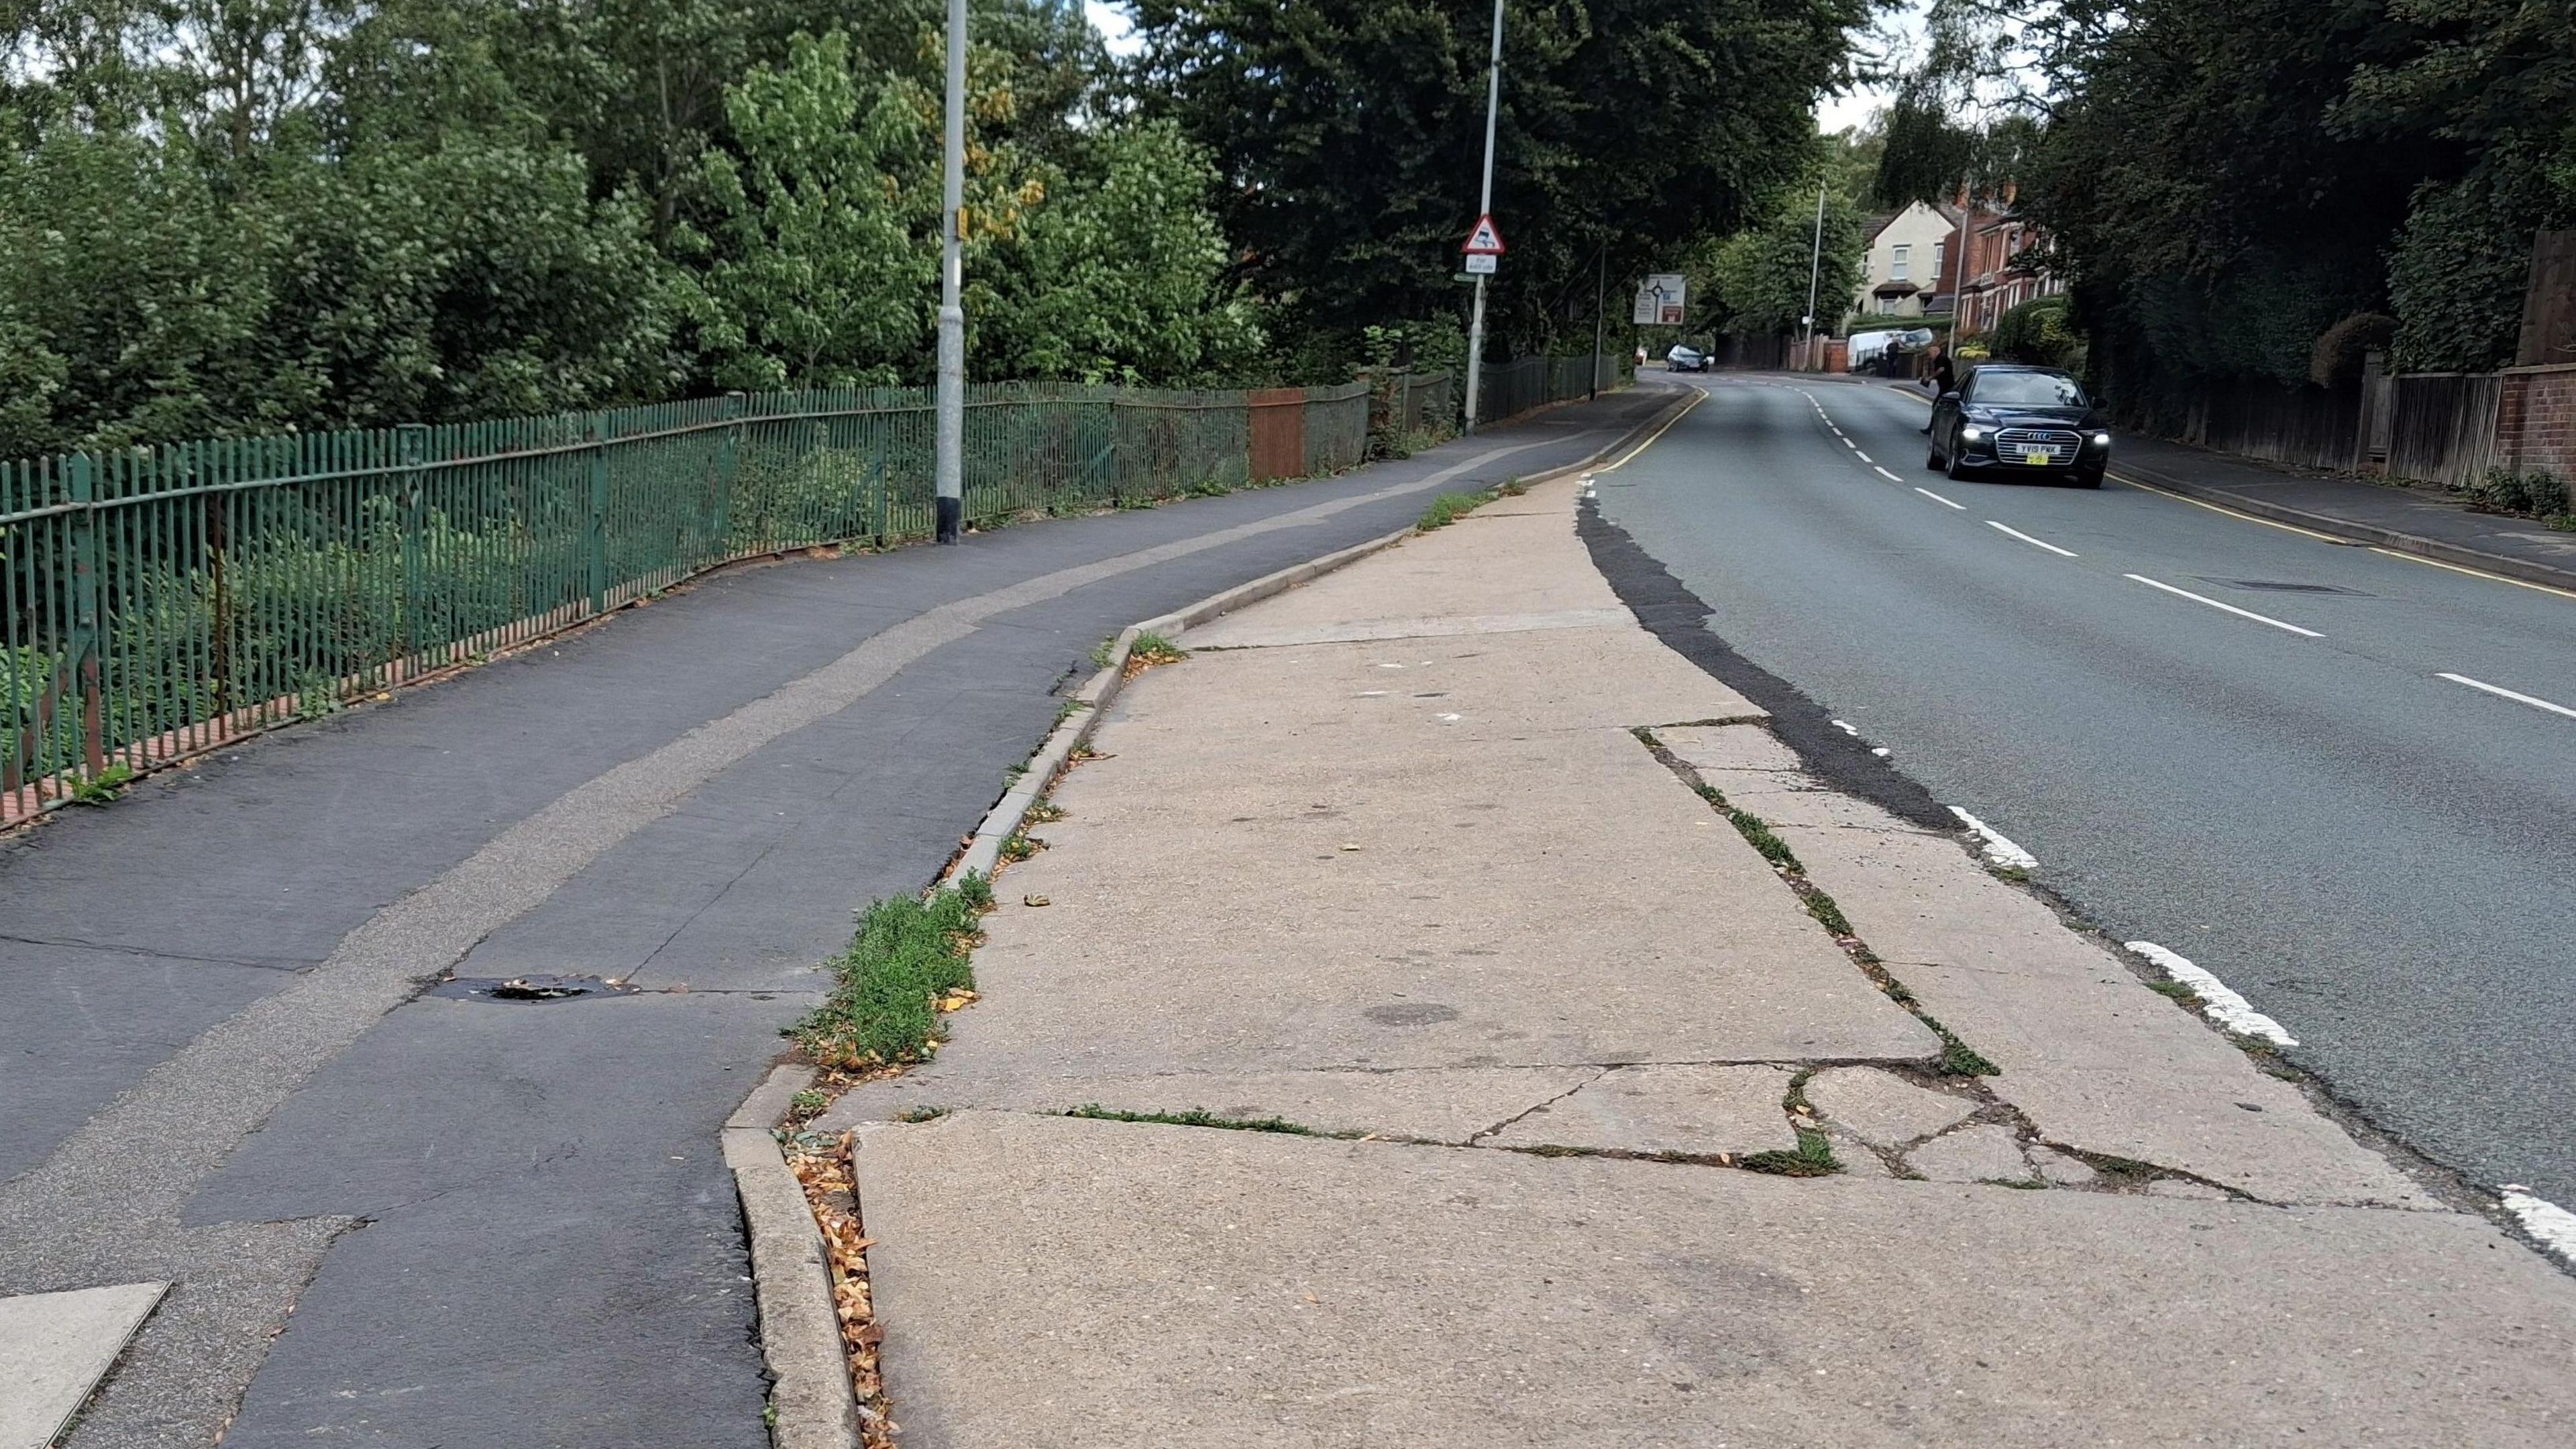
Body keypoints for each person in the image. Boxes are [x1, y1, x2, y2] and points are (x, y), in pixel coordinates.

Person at [1921, 345, 1955, 432]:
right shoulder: (1941, 359)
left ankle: (1933, 429)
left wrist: (1930, 378)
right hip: (1945, 387)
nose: (1929, 357)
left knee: (1937, 406)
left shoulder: (1941, 359)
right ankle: (1934, 428)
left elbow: (1941, 370)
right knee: (1938, 407)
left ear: (1935, 352)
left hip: (1947, 387)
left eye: (1930, 354)